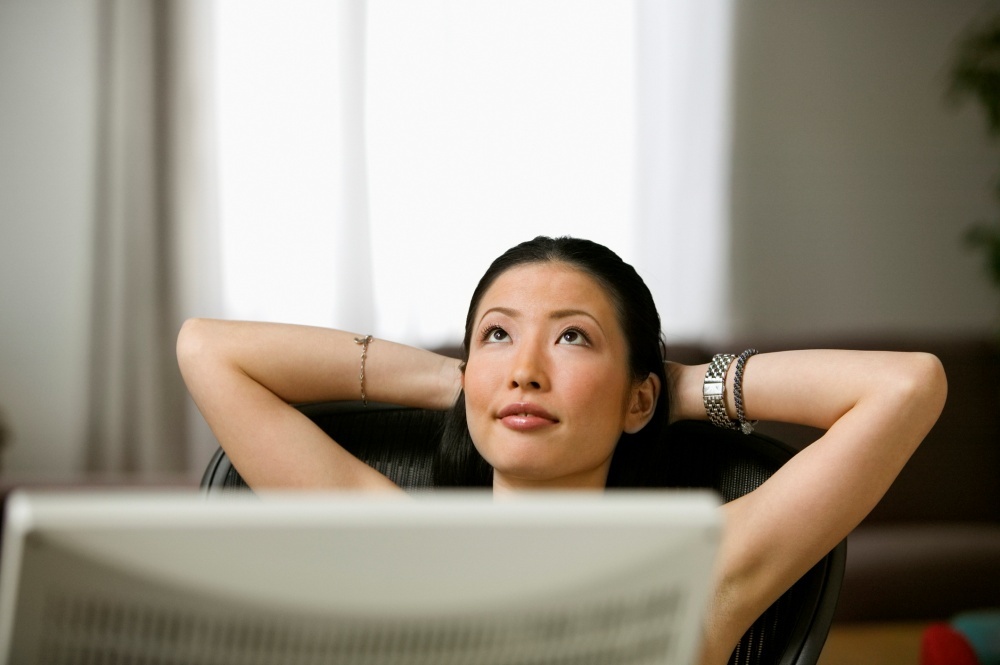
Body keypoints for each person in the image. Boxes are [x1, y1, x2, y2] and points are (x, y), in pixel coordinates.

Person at [177, 236, 947, 665]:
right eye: (498, 334)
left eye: (573, 336)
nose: (525, 368)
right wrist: (457, 381)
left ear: (638, 396)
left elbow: (907, 387)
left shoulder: (705, 572)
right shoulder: (397, 543)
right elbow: (208, 350)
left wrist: (673, 389)